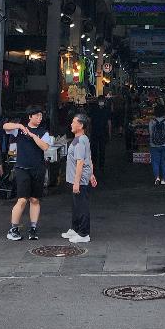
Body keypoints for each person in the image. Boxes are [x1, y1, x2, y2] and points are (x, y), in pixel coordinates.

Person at [3, 106, 51, 241]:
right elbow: (5, 126)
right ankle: (13, 228)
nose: (39, 118)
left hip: (38, 168)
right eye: (37, 116)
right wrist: (19, 125)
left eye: (41, 116)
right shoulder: (20, 130)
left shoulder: (43, 132)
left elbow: (45, 147)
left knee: (35, 199)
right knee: (22, 199)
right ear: (30, 116)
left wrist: (33, 136)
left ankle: (33, 228)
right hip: (22, 168)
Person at [62, 113, 97, 244]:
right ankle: (75, 228)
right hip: (76, 179)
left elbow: (81, 162)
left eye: (74, 122)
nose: (71, 124)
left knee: (81, 206)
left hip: (79, 180)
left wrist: (77, 182)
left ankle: (84, 234)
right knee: (76, 206)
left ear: (81, 125)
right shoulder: (81, 138)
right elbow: (89, 157)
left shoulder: (81, 140)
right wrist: (91, 174)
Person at [148, 104, 165, 185]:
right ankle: (163, 179)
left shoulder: (151, 122)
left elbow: (151, 134)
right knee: (164, 162)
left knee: (155, 162)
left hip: (154, 145)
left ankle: (157, 178)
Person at [88, 97, 110, 175]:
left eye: (102, 101)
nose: (101, 102)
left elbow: (109, 122)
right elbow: (89, 121)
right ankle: (95, 165)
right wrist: (88, 131)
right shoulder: (94, 109)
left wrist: (109, 132)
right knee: (94, 150)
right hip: (95, 132)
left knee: (102, 150)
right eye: (100, 101)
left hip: (102, 132)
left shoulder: (106, 109)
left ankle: (101, 166)